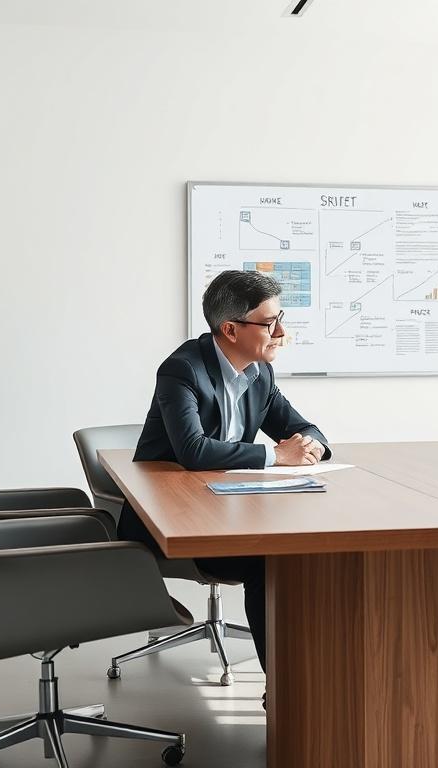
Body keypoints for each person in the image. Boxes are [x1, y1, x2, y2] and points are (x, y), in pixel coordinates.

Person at [118, 270, 331, 682]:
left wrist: (312, 445)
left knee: (305, 553)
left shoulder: (260, 373)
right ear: (230, 329)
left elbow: (303, 427)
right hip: (169, 518)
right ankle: (283, 693)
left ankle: (316, 683)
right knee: (264, 563)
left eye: (280, 317)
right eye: (270, 323)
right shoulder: (182, 370)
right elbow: (193, 451)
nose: (281, 332)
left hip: (226, 506)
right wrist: (276, 454)